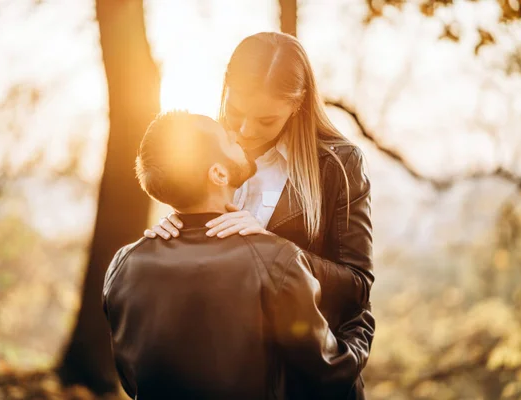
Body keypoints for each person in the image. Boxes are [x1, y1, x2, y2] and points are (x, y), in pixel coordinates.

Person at [144, 32, 374, 399]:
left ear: (297, 104)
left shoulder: (338, 165)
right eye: (236, 113)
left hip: (306, 383)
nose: (246, 130)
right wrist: (174, 235)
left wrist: (276, 250)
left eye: (266, 119)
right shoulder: (206, 146)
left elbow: (357, 288)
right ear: (226, 88)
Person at [102, 111, 374, 400]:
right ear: (218, 173)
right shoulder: (278, 261)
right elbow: (330, 373)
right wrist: (361, 326)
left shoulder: (123, 265)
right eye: (226, 138)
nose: (236, 135)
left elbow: (133, 380)